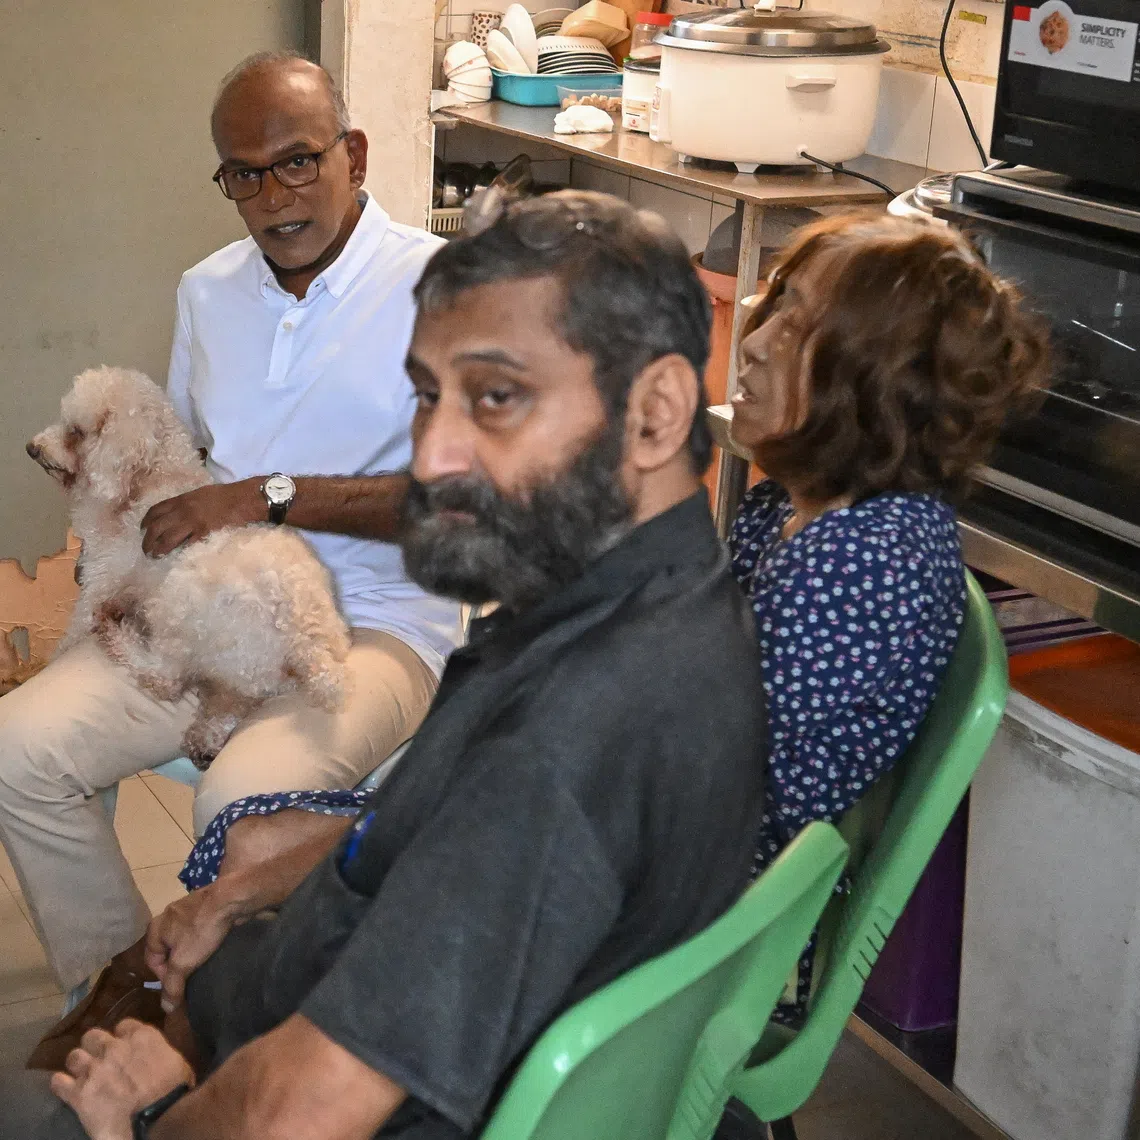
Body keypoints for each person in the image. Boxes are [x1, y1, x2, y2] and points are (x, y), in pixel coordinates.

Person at [0, 190, 767, 1140]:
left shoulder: (568, 742)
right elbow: (446, 838)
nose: (434, 453)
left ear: (656, 413)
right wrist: (243, 894)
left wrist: (155, 1112)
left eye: (496, 396)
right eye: (427, 396)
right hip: (276, 1008)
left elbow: (301, 1110)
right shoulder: (636, 607)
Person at [0, 49, 462, 1027]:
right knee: (19, 748)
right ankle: (132, 1000)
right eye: (241, 173)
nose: (270, 195)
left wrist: (268, 496)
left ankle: (253, 1033)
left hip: (373, 631)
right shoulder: (206, 291)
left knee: (243, 806)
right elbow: (196, 463)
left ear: (356, 154)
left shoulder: (443, 288)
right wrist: (128, 516)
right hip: (208, 621)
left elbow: (460, 502)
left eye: (296, 161)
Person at [727, 213, 1048, 1010]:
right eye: (773, 303)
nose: (755, 337)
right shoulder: (793, 508)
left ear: (874, 384)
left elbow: (715, 787)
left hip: (706, 938)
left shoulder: (865, 562)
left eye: (796, 327)